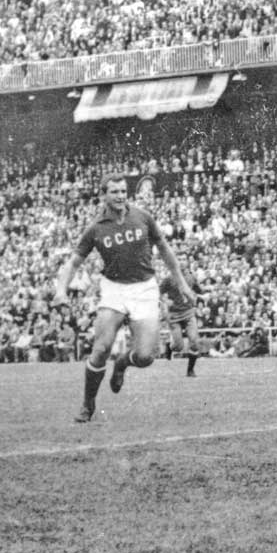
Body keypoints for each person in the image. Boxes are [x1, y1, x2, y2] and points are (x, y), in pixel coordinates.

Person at [54, 173, 193, 423]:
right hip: (114, 289)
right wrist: (61, 290)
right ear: (104, 195)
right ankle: (88, 404)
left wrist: (181, 282)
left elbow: (164, 249)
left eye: (122, 191)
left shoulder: (142, 217)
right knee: (100, 348)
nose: (119, 196)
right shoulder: (96, 228)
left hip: (144, 288)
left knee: (145, 357)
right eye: (114, 192)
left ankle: (121, 364)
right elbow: (73, 262)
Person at [160, 268, 201, 377]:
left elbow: (199, 290)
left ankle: (190, 371)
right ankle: (169, 346)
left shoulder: (191, 277)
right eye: (179, 259)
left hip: (189, 313)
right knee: (178, 347)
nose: (182, 261)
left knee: (194, 341)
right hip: (174, 315)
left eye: (184, 259)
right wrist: (165, 301)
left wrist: (198, 296)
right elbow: (157, 293)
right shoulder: (168, 279)